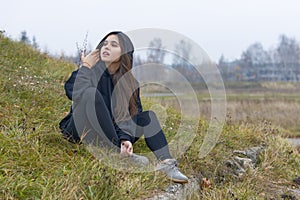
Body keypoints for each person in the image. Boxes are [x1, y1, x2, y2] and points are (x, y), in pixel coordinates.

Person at [59, 31, 188, 183]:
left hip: (110, 133)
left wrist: (125, 138)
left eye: (114, 45)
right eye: (104, 44)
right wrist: (85, 66)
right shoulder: (91, 72)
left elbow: (130, 116)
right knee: (90, 93)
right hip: (82, 131)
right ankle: (118, 154)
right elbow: (72, 92)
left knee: (147, 117)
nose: (107, 47)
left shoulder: (130, 84)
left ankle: (167, 164)